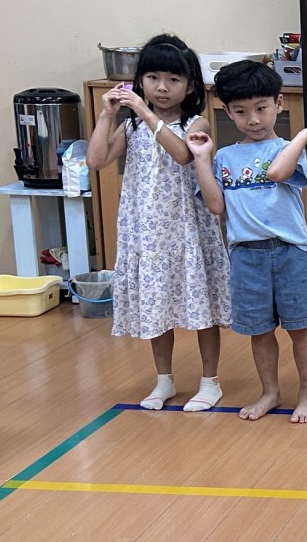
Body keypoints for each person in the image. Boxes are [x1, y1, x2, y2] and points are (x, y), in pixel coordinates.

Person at [88, 33, 230, 412]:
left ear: (190, 86)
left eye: (173, 79)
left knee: (201, 307)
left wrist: (145, 112)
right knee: (157, 305)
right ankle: (164, 380)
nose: (162, 87)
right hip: (147, 234)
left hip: (187, 230)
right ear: (140, 80)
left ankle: (210, 381)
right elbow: (96, 160)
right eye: (153, 78)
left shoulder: (195, 121)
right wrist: (107, 115)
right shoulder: (131, 126)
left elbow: (183, 154)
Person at [190, 59, 307, 423]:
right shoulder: (224, 157)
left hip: (290, 253)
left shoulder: (288, 149)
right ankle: (270, 392)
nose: (252, 120)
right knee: (260, 331)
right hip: (246, 256)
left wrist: (303, 136)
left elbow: (278, 172)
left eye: (261, 108)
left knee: (300, 329)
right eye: (240, 111)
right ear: (227, 112)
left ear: (278, 104)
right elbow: (215, 205)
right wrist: (202, 159)